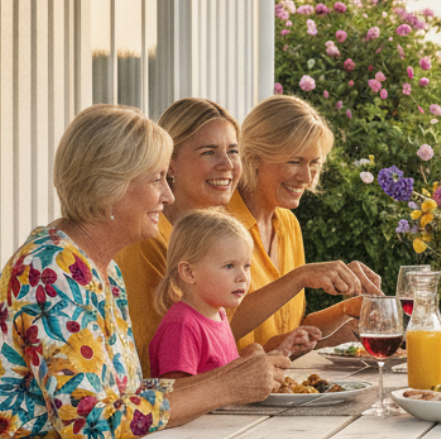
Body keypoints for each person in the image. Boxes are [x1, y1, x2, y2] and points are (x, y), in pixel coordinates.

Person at [0, 105, 289, 439]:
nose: (168, 195)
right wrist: (223, 387)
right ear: (109, 188)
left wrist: (232, 377)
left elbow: (123, 395)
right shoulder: (51, 273)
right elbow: (93, 428)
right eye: (156, 180)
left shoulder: (101, 267)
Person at [227, 95, 384, 350]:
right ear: (254, 157)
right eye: (294, 161)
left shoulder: (288, 224)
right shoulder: (219, 226)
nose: (307, 178)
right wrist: (300, 277)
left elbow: (290, 333)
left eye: (314, 163)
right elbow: (215, 329)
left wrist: (348, 309)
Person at [116, 97, 245, 374]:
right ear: (170, 162)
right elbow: (153, 366)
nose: (227, 164)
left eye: (233, 151)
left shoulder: (221, 235)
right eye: (209, 152)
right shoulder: (146, 240)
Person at [149, 209, 319, 379]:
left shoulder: (219, 315)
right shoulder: (182, 326)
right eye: (229, 266)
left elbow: (228, 376)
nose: (243, 277)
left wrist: (280, 353)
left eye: (246, 266)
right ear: (189, 272)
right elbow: (177, 390)